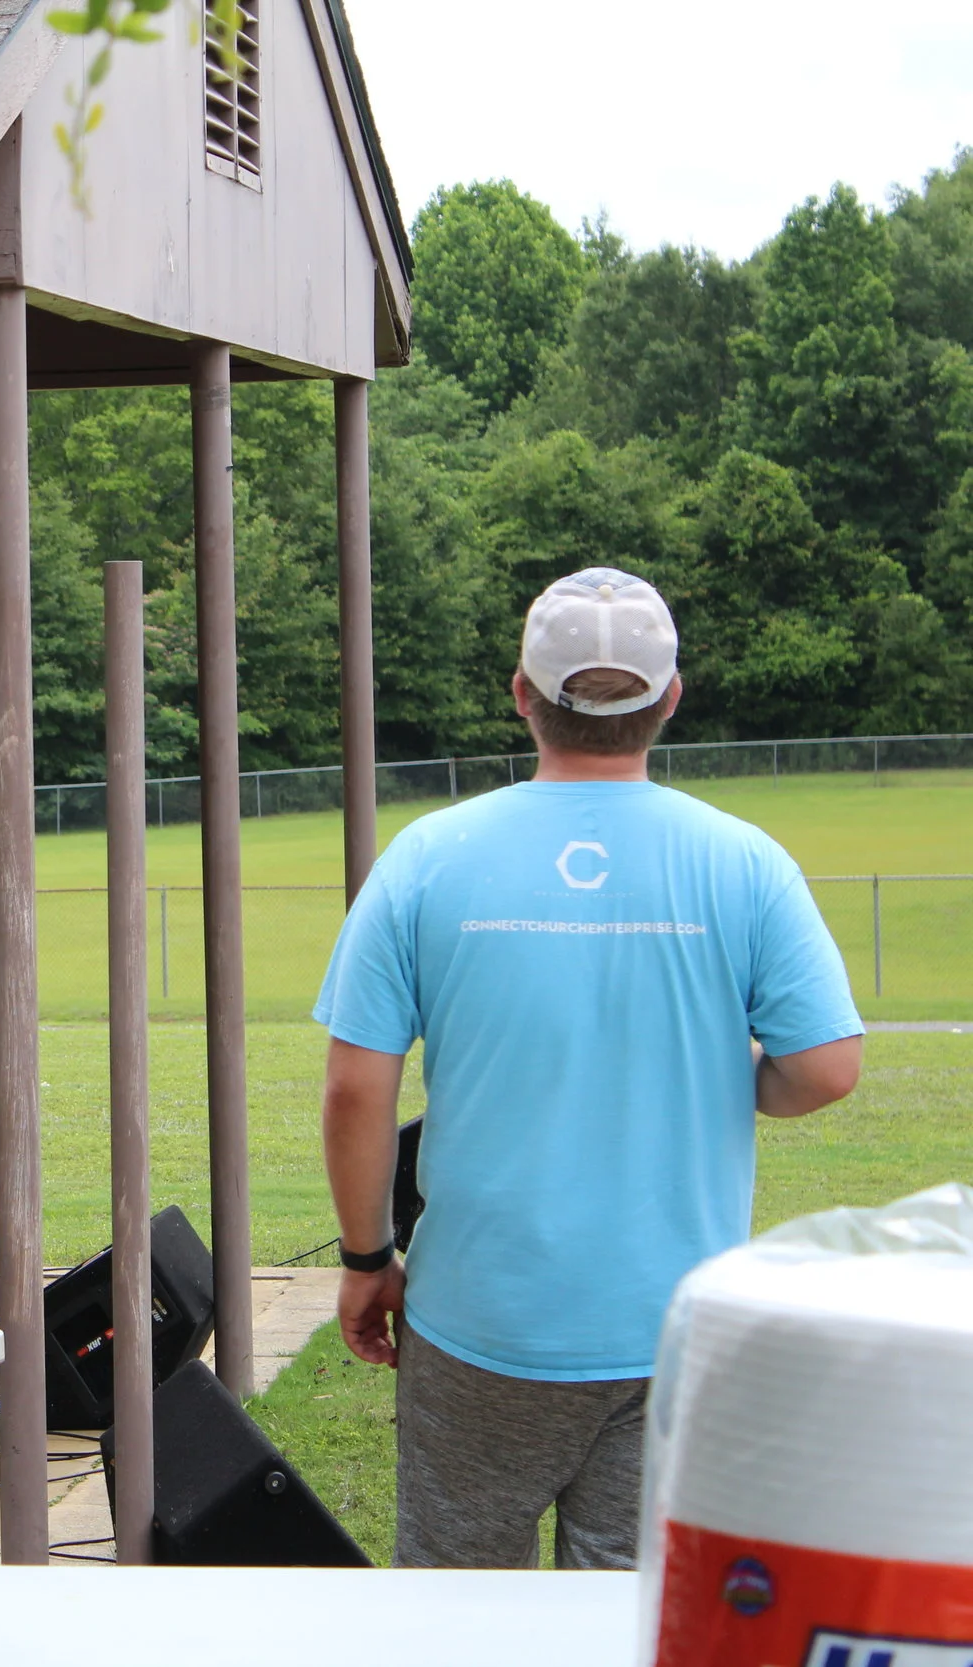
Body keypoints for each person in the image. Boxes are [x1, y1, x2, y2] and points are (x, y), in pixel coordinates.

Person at [314, 567, 864, 1571]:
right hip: (672, 1318)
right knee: (627, 1607)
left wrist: (365, 1259)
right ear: (669, 699)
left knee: (456, 1605)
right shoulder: (743, 861)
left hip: (479, 1314)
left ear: (521, 692)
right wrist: (720, 1071)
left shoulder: (428, 855)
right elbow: (824, 1068)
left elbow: (356, 1086)